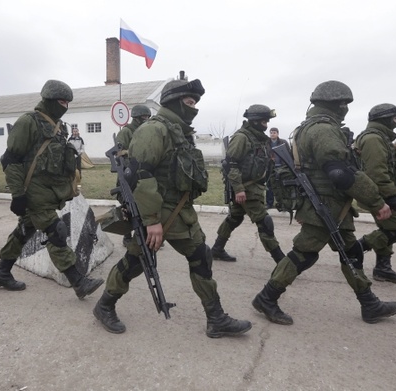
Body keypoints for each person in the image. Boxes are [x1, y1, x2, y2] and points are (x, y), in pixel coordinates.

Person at [93, 78, 252, 338]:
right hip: (158, 212)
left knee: (201, 256)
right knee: (136, 262)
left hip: (181, 211)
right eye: (189, 102)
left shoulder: (179, 132)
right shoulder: (153, 130)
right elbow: (141, 176)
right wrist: (152, 219)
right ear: (174, 102)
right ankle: (104, 305)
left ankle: (216, 318)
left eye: (195, 103)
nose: (193, 107)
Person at [251, 80, 396, 326]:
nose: (346, 109)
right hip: (324, 206)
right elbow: (340, 172)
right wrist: (376, 201)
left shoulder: (314, 126)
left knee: (351, 252)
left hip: (333, 206)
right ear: (334, 105)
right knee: (304, 254)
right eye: (343, 104)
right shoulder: (323, 129)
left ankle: (369, 303)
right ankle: (266, 297)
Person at [0, 79, 104, 298]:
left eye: (68, 103)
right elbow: (10, 160)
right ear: (49, 99)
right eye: (61, 102)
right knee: (55, 232)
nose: (65, 107)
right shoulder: (28, 122)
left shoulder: (59, 128)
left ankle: (1, 273)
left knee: (24, 232)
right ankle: (78, 281)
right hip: (32, 192)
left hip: (49, 193)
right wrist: (18, 194)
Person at [211, 105, 286, 263]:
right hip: (246, 189)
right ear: (254, 121)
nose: (266, 126)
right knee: (264, 222)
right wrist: (238, 189)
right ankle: (281, 261)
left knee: (234, 218)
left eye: (267, 122)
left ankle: (217, 249)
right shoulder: (242, 137)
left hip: (255, 187)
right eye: (263, 122)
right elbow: (231, 164)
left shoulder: (258, 138)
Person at [354, 104, 396, 284]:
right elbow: (376, 172)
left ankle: (382, 268)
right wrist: (390, 196)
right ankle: (354, 249)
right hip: (379, 194)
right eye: (394, 118)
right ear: (384, 118)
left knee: (387, 229)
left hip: (384, 192)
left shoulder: (380, 138)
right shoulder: (373, 139)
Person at [116, 104, 152, 247]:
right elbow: (117, 152)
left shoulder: (146, 132)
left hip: (142, 173)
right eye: (144, 117)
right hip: (128, 173)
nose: (147, 119)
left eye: (148, 117)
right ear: (136, 118)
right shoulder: (126, 131)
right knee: (127, 204)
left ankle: (143, 235)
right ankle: (127, 236)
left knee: (143, 203)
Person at [265, 127, 289, 209]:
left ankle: (283, 204)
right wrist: (270, 159)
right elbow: (264, 155)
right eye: (271, 132)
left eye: (274, 132)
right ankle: (269, 203)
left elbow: (288, 154)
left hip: (282, 167)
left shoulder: (283, 142)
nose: (272, 134)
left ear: (277, 134)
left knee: (282, 186)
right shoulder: (266, 143)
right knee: (270, 186)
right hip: (270, 168)